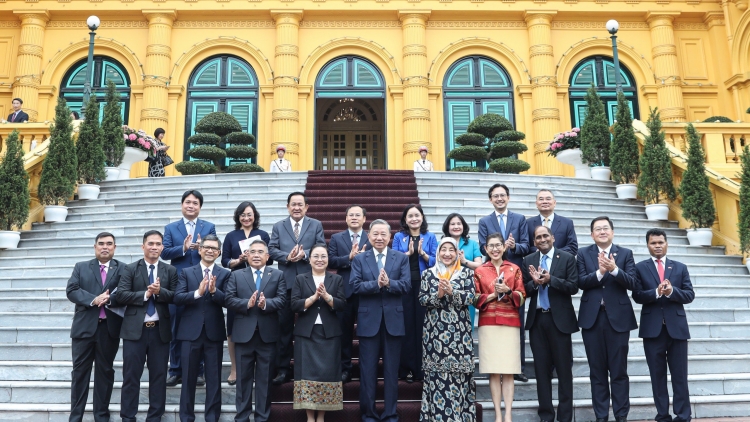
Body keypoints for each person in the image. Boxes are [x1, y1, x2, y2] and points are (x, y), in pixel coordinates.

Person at [576, 216, 637, 422]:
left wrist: (614, 269)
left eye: (605, 228)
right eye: (597, 229)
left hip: (618, 320)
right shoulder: (583, 253)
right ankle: (601, 416)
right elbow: (581, 282)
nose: (602, 232)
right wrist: (600, 272)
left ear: (612, 231)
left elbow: (632, 283)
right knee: (597, 371)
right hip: (592, 320)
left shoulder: (625, 253)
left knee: (619, 370)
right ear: (592, 234)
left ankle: (621, 415)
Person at [351, 219, 411, 422]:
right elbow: (355, 286)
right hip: (369, 323)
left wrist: (389, 283)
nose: (379, 238)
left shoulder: (400, 258)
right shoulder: (360, 259)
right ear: (368, 236)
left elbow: (406, 286)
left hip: (393, 322)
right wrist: (376, 285)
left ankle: (390, 414)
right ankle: (368, 414)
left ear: (390, 237)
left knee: (391, 373)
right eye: (375, 234)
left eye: (383, 234)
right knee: (367, 372)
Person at [115, 230, 178, 422]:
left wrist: (159, 292)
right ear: (143, 246)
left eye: (158, 244)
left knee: (158, 378)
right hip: (135, 331)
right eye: (151, 244)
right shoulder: (130, 269)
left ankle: (155, 417)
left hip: (160, 331)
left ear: (162, 247)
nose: (154, 247)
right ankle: (128, 417)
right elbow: (121, 295)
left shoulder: (170, 271)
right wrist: (146, 295)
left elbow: (175, 296)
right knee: (131, 377)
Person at [633, 229, 694, 422]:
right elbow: (637, 295)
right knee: (657, 376)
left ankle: (683, 415)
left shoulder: (680, 267)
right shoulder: (640, 268)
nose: (657, 246)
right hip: (652, 331)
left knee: (680, 376)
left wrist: (671, 292)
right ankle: (663, 415)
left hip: (677, 329)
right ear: (648, 245)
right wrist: (657, 292)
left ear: (666, 243)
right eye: (653, 243)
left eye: (661, 242)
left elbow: (689, 295)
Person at [225, 239, 287, 422]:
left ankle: (262, 418)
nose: (257, 255)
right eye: (253, 252)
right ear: (247, 256)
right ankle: (242, 418)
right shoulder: (236, 275)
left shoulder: (277, 275)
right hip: (243, 336)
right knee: (243, 382)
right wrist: (247, 303)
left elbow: (283, 299)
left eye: (261, 252)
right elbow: (228, 299)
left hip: (267, 336)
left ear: (268, 257)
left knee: (264, 382)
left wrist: (266, 303)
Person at [522, 226, 579, 422]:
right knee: (541, 370)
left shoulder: (567, 258)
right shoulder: (528, 260)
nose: (542, 239)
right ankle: (546, 415)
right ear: (534, 241)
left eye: (545, 235)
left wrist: (551, 280)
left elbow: (573, 287)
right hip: (538, 320)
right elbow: (523, 290)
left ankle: (564, 417)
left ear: (553, 238)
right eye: (538, 237)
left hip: (560, 321)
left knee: (564, 370)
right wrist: (535, 283)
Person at [66, 232, 124, 422]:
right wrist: (93, 299)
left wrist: (110, 298)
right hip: (84, 330)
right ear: (95, 246)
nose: (105, 247)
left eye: (109, 244)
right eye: (101, 243)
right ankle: (75, 417)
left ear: (114, 247)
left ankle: (101, 416)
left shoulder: (123, 269)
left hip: (109, 329)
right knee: (80, 374)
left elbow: (127, 292)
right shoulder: (81, 267)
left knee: (105, 373)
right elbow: (72, 290)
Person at [161, 190, 217, 387]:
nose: (191, 206)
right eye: (187, 202)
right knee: (175, 326)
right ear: (182, 205)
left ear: (200, 206)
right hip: (178, 283)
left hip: (201, 282)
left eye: (195, 203)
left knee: (200, 327)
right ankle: (175, 369)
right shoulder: (171, 228)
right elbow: (164, 253)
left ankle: (199, 370)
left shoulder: (209, 227)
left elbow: (214, 249)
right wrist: (184, 248)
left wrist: (202, 248)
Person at [268, 191, 325, 384]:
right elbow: (271, 249)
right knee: (283, 327)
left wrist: (306, 254)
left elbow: (321, 246)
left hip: (309, 283)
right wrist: (286, 256)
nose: (297, 207)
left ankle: (308, 367)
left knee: (309, 326)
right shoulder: (278, 226)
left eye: (300, 204)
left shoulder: (315, 224)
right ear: (287, 206)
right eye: (293, 204)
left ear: (306, 207)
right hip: (284, 283)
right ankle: (283, 368)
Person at [173, 234, 230, 422]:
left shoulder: (224, 274)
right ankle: (186, 417)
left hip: (213, 332)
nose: (210, 250)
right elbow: (178, 298)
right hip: (190, 332)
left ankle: (212, 417)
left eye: (214, 248)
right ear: (200, 249)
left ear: (219, 252)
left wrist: (214, 291)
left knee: (214, 379)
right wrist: (197, 293)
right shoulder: (186, 273)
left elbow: (229, 301)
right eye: (207, 247)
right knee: (188, 378)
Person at [419, 237, 476, 422]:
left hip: (460, 335)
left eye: (451, 250)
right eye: (443, 249)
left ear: (457, 253)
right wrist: (439, 295)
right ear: (438, 252)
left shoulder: (466, 273)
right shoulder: (428, 274)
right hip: (435, 333)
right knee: (436, 378)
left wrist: (453, 292)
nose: (447, 253)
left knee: (459, 377)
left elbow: (471, 298)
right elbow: (422, 300)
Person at [478, 183, 530, 382]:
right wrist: (496, 248)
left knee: (518, 321)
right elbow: (484, 249)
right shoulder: (485, 221)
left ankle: (518, 367)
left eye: (502, 195)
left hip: (513, 274)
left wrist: (513, 246)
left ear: (508, 198)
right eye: (495, 196)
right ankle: (494, 365)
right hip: (491, 275)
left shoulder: (519, 219)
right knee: (493, 322)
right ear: (490, 199)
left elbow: (526, 245)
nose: (499, 199)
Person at [473, 233, 525, 422]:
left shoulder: (514, 269)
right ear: (485, 249)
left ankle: (508, 414)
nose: (495, 249)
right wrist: (494, 295)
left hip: (510, 323)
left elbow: (522, 295)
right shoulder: (480, 271)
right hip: (488, 324)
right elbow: (475, 299)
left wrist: (509, 292)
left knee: (509, 370)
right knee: (494, 370)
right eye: (491, 246)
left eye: (498, 245)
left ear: (504, 247)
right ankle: (497, 414)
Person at [291, 244, 346, 421]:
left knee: (326, 373)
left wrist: (327, 297)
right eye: (316, 256)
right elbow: (294, 305)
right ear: (309, 259)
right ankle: (309, 416)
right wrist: (313, 298)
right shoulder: (301, 278)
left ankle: (321, 415)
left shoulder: (336, 279)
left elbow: (342, 304)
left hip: (329, 333)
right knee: (305, 373)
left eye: (323, 256)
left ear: (328, 259)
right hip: (306, 333)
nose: (320, 259)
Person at [221, 201, 272, 385]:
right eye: (242, 214)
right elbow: (224, 260)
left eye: (249, 214)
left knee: (259, 321)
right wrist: (238, 260)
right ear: (238, 217)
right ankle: (235, 368)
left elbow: (270, 259)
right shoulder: (231, 236)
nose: (246, 218)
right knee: (234, 324)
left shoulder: (263, 235)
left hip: (260, 281)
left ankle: (259, 365)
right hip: (237, 282)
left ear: (255, 216)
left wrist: (254, 257)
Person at [392, 203, 437, 382]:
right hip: (405, 286)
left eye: (417, 215)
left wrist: (423, 255)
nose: (414, 219)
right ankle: (408, 369)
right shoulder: (398, 236)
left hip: (424, 285)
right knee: (407, 327)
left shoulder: (430, 236)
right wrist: (408, 254)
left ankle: (423, 369)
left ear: (422, 217)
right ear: (405, 219)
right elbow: (393, 260)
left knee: (423, 327)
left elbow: (437, 261)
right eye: (410, 216)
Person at [327, 204, 370, 383]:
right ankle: (345, 368)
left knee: (367, 333)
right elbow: (331, 260)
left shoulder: (371, 236)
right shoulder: (337, 238)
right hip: (343, 292)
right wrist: (349, 258)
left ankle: (365, 368)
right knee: (343, 333)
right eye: (350, 215)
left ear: (364, 219)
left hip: (366, 292)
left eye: (357, 215)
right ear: (346, 219)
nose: (354, 217)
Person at [442, 212, 483, 328]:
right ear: (447, 227)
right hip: (447, 286)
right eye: (452, 224)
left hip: (467, 287)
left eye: (459, 224)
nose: (456, 226)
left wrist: (464, 261)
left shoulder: (472, 244)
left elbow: (480, 266)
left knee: (466, 322)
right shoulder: (442, 243)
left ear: (463, 226)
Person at [526, 189, 578, 256]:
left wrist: (553, 253)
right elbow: (525, 247)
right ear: (536, 203)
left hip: (560, 263)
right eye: (541, 199)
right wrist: (538, 251)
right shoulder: (528, 223)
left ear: (554, 203)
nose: (545, 202)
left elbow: (573, 247)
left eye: (548, 199)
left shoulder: (567, 223)